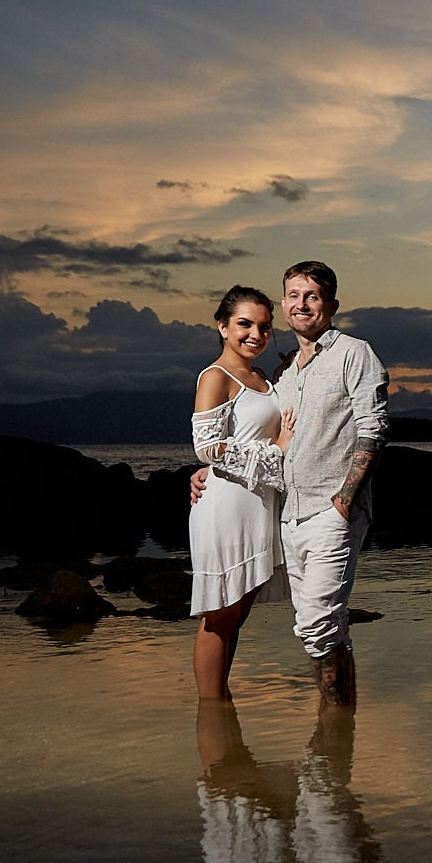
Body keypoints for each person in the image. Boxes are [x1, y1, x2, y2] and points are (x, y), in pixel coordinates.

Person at [195, 260, 388, 707]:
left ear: (331, 305)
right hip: (286, 514)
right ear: (285, 304)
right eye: (294, 296)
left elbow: (372, 430)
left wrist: (345, 501)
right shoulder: (284, 374)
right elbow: (237, 437)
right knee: (315, 625)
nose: (302, 305)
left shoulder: (354, 353)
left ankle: (336, 731)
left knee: (317, 621)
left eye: (313, 296)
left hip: (330, 510)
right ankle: (336, 728)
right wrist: (208, 467)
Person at [189, 285, 294, 699]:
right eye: (244, 324)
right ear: (223, 326)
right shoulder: (216, 376)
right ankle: (211, 715)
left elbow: (239, 435)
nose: (255, 334)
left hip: (258, 506)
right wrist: (277, 450)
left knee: (236, 614)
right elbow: (208, 446)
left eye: (264, 327)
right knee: (219, 614)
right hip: (227, 507)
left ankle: (223, 714)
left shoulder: (263, 377)